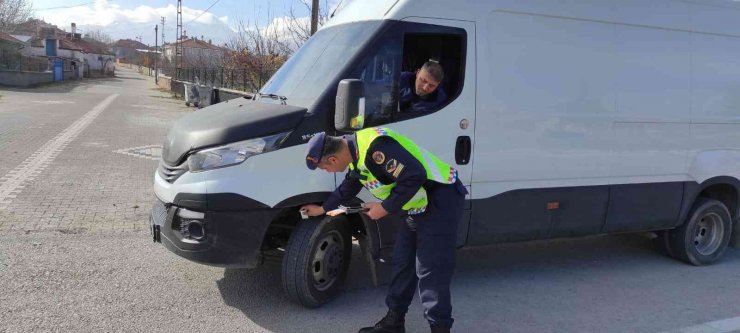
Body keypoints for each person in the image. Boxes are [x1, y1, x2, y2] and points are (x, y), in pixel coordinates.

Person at [302, 127, 467, 333]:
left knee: (430, 269)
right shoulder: (355, 152)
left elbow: (415, 175)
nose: (328, 172)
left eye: (325, 168)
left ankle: (440, 328)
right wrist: (323, 208)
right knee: (402, 262)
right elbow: (350, 185)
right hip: (418, 205)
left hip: (441, 199)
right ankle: (394, 322)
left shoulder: (376, 148)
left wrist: (385, 207)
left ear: (333, 160)